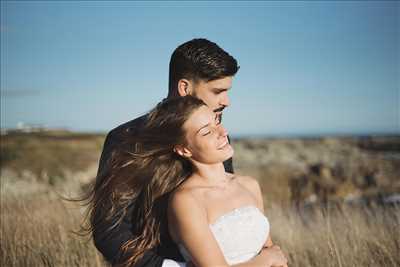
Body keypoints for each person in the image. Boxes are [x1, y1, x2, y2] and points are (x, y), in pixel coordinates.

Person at [87, 96, 288, 267]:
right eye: (206, 131)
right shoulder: (186, 200)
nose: (222, 132)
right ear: (184, 150)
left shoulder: (249, 184)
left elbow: (269, 249)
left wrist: (272, 257)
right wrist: (266, 260)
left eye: (216, 121)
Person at [90, 38, 239, 266]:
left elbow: (226, 208)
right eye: (218, 91)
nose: (226, 101)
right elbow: (109, 231)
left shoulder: (219, 138)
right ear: (184, 88)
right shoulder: (126, 139)